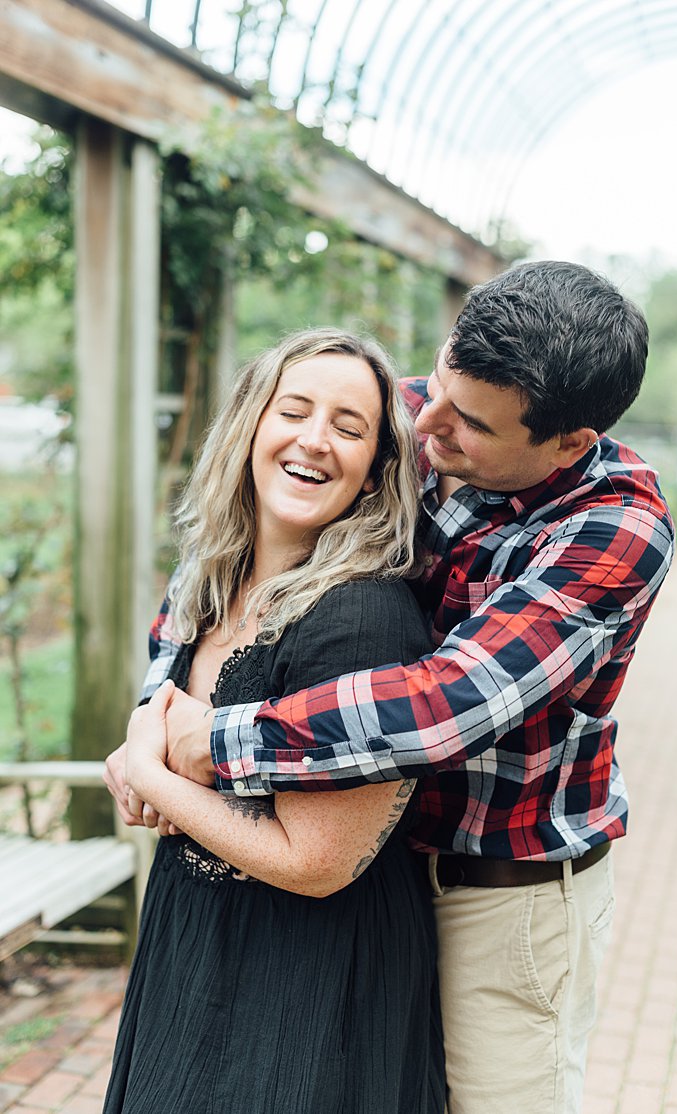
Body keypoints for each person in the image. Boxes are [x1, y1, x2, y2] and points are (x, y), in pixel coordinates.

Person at [105, 260, 674, 1114]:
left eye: (469, 423)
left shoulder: (615, 529)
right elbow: (230, 546)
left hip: (499, 890)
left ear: (567, 442)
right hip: (371, 879)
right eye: (438, 382)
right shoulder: (412, 412)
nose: (426, 423)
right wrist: (155, 702)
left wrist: (205, 743)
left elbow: (445, 703)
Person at [102, 328, 443, 1113]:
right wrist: (138, 742)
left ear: (372, 474)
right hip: (195, 933)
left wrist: (150, 770)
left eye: (349, 428)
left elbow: (315, 861)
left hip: (311, 977)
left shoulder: (362, 618)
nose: (315, 440)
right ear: (252, 426)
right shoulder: (210, 581)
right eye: (295, 410)